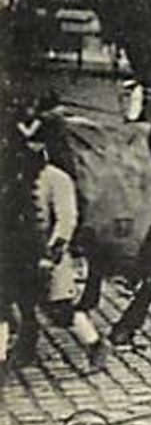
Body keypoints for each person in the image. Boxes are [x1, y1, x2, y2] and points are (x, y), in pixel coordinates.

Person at [12, 110, 107, 371]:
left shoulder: (57, 178)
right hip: (17, 254)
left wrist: (52, 255)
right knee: (14, 304)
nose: (28, 150)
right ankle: (21, 350)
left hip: (48, 255)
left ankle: (94, 344)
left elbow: (67, 219)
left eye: (35, 144)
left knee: (60, 309)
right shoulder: (11, 177)